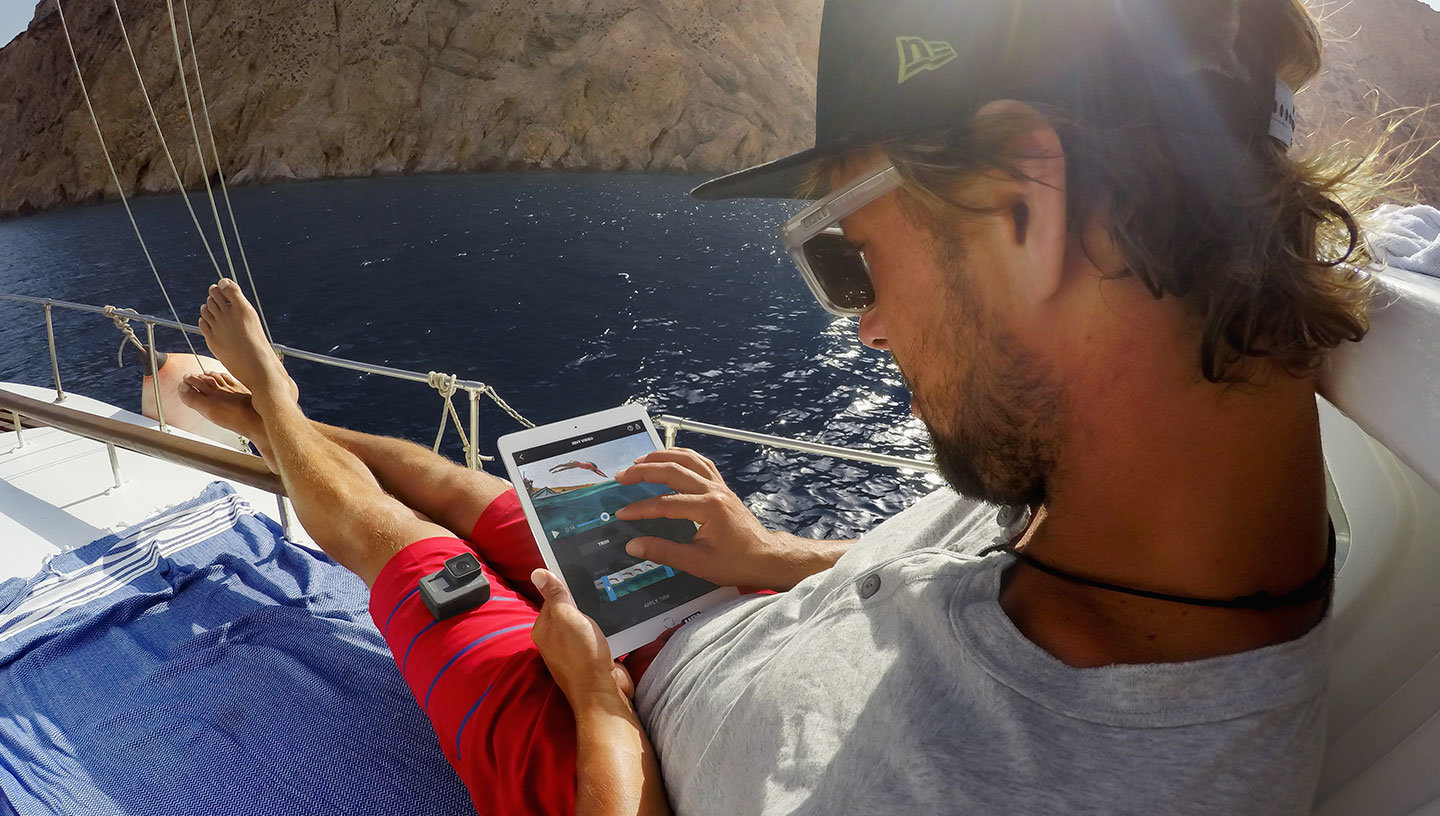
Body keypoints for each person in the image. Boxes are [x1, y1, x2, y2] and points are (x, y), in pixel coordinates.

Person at [181, 0, 1394, 811]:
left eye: (848, 255)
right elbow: (959, 582)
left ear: (1027, 206)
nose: (863, 324)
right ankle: (262, 419)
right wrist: (771, 554)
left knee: (404, 542)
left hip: (616, 733)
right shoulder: (1134, 478)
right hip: (717, 616)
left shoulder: (1002, 784)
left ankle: (271, 399)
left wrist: (601, 715)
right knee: (466, 486)